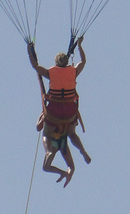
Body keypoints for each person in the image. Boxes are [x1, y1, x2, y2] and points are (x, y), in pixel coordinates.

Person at [28, 39, 91, 185]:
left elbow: (35, 66)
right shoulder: (73, 72)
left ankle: (50, 152)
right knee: (72, 133)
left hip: (54, 111)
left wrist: (29, 50)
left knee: (46, 133)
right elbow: (83, 61)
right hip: (69, 111)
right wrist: (80, 45)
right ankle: (82, 151)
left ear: (56, 63)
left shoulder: (51, 73)